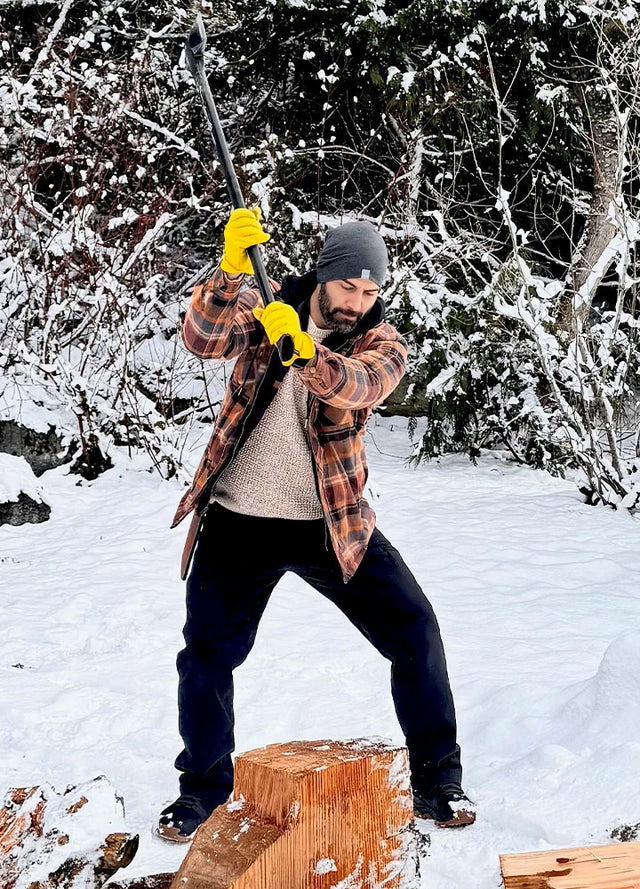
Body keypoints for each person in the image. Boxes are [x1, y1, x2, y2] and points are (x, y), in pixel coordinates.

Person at [158, 208, 475, 842]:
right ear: (323, 276)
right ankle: (202, 790)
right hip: (238, 519)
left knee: (416, 630)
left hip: (330, 525)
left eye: (371, 291)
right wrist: (226, 273)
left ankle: (439, 782)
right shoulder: (266, 304)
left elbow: (362, 385)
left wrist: (307, 355)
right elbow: (203, 338)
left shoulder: (379, 341)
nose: (359, 302)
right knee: (206, 659)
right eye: (349, 287)